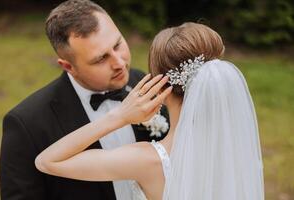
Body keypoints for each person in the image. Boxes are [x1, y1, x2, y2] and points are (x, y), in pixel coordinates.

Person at [35, 22, 265, 200]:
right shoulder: (239, 146)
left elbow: (47, 161)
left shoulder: (150, 161)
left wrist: (119, 116)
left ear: (161, 85)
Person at [0, 0, 168, 200]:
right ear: (68, 66)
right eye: (100, 59)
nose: (119, 63)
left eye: (118, 44)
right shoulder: (27, 124)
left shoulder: (145, 84)